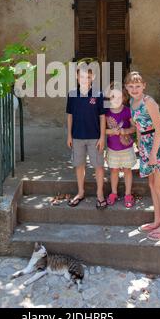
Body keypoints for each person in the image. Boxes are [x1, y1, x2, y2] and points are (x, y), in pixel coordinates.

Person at [125, 71, 160, 241]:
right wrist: (140, 147)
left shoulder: (149, 102)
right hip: (146, 144)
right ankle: (157, 221)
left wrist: (153, 153)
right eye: (131, 86)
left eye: (137, 86)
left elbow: (159, 129)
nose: (134, 89)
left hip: (158, 144)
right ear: (126, 88)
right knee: (152, 184)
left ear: (144, 86)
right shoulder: (132, 101)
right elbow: (139, 127)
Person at [66, 62, 107, 209]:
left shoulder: (99, 94)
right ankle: (81, 192)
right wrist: (69, 135)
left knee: (98, 165)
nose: (85, 79)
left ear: (93, 77)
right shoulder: (72, 94)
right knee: (79, 165)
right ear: (77, 77)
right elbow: (70, 116)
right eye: (82, 76)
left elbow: (102, 117)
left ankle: (100, 194)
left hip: (95, 137)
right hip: (77, 136)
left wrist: (102, 137)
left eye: (88, 77)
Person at [105, 82, 137, 208]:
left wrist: (125, 131)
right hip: (113, 148)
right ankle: (114, 193)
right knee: (114, 170)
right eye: (113, 97)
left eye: (119, 97)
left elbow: (134, 128)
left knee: (127, 170)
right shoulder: (106, 112)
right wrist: (111, 131)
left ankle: (128, 194)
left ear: (124, 98)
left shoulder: (127, 111)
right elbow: (101, 130)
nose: (116, 100)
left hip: (126, 148)